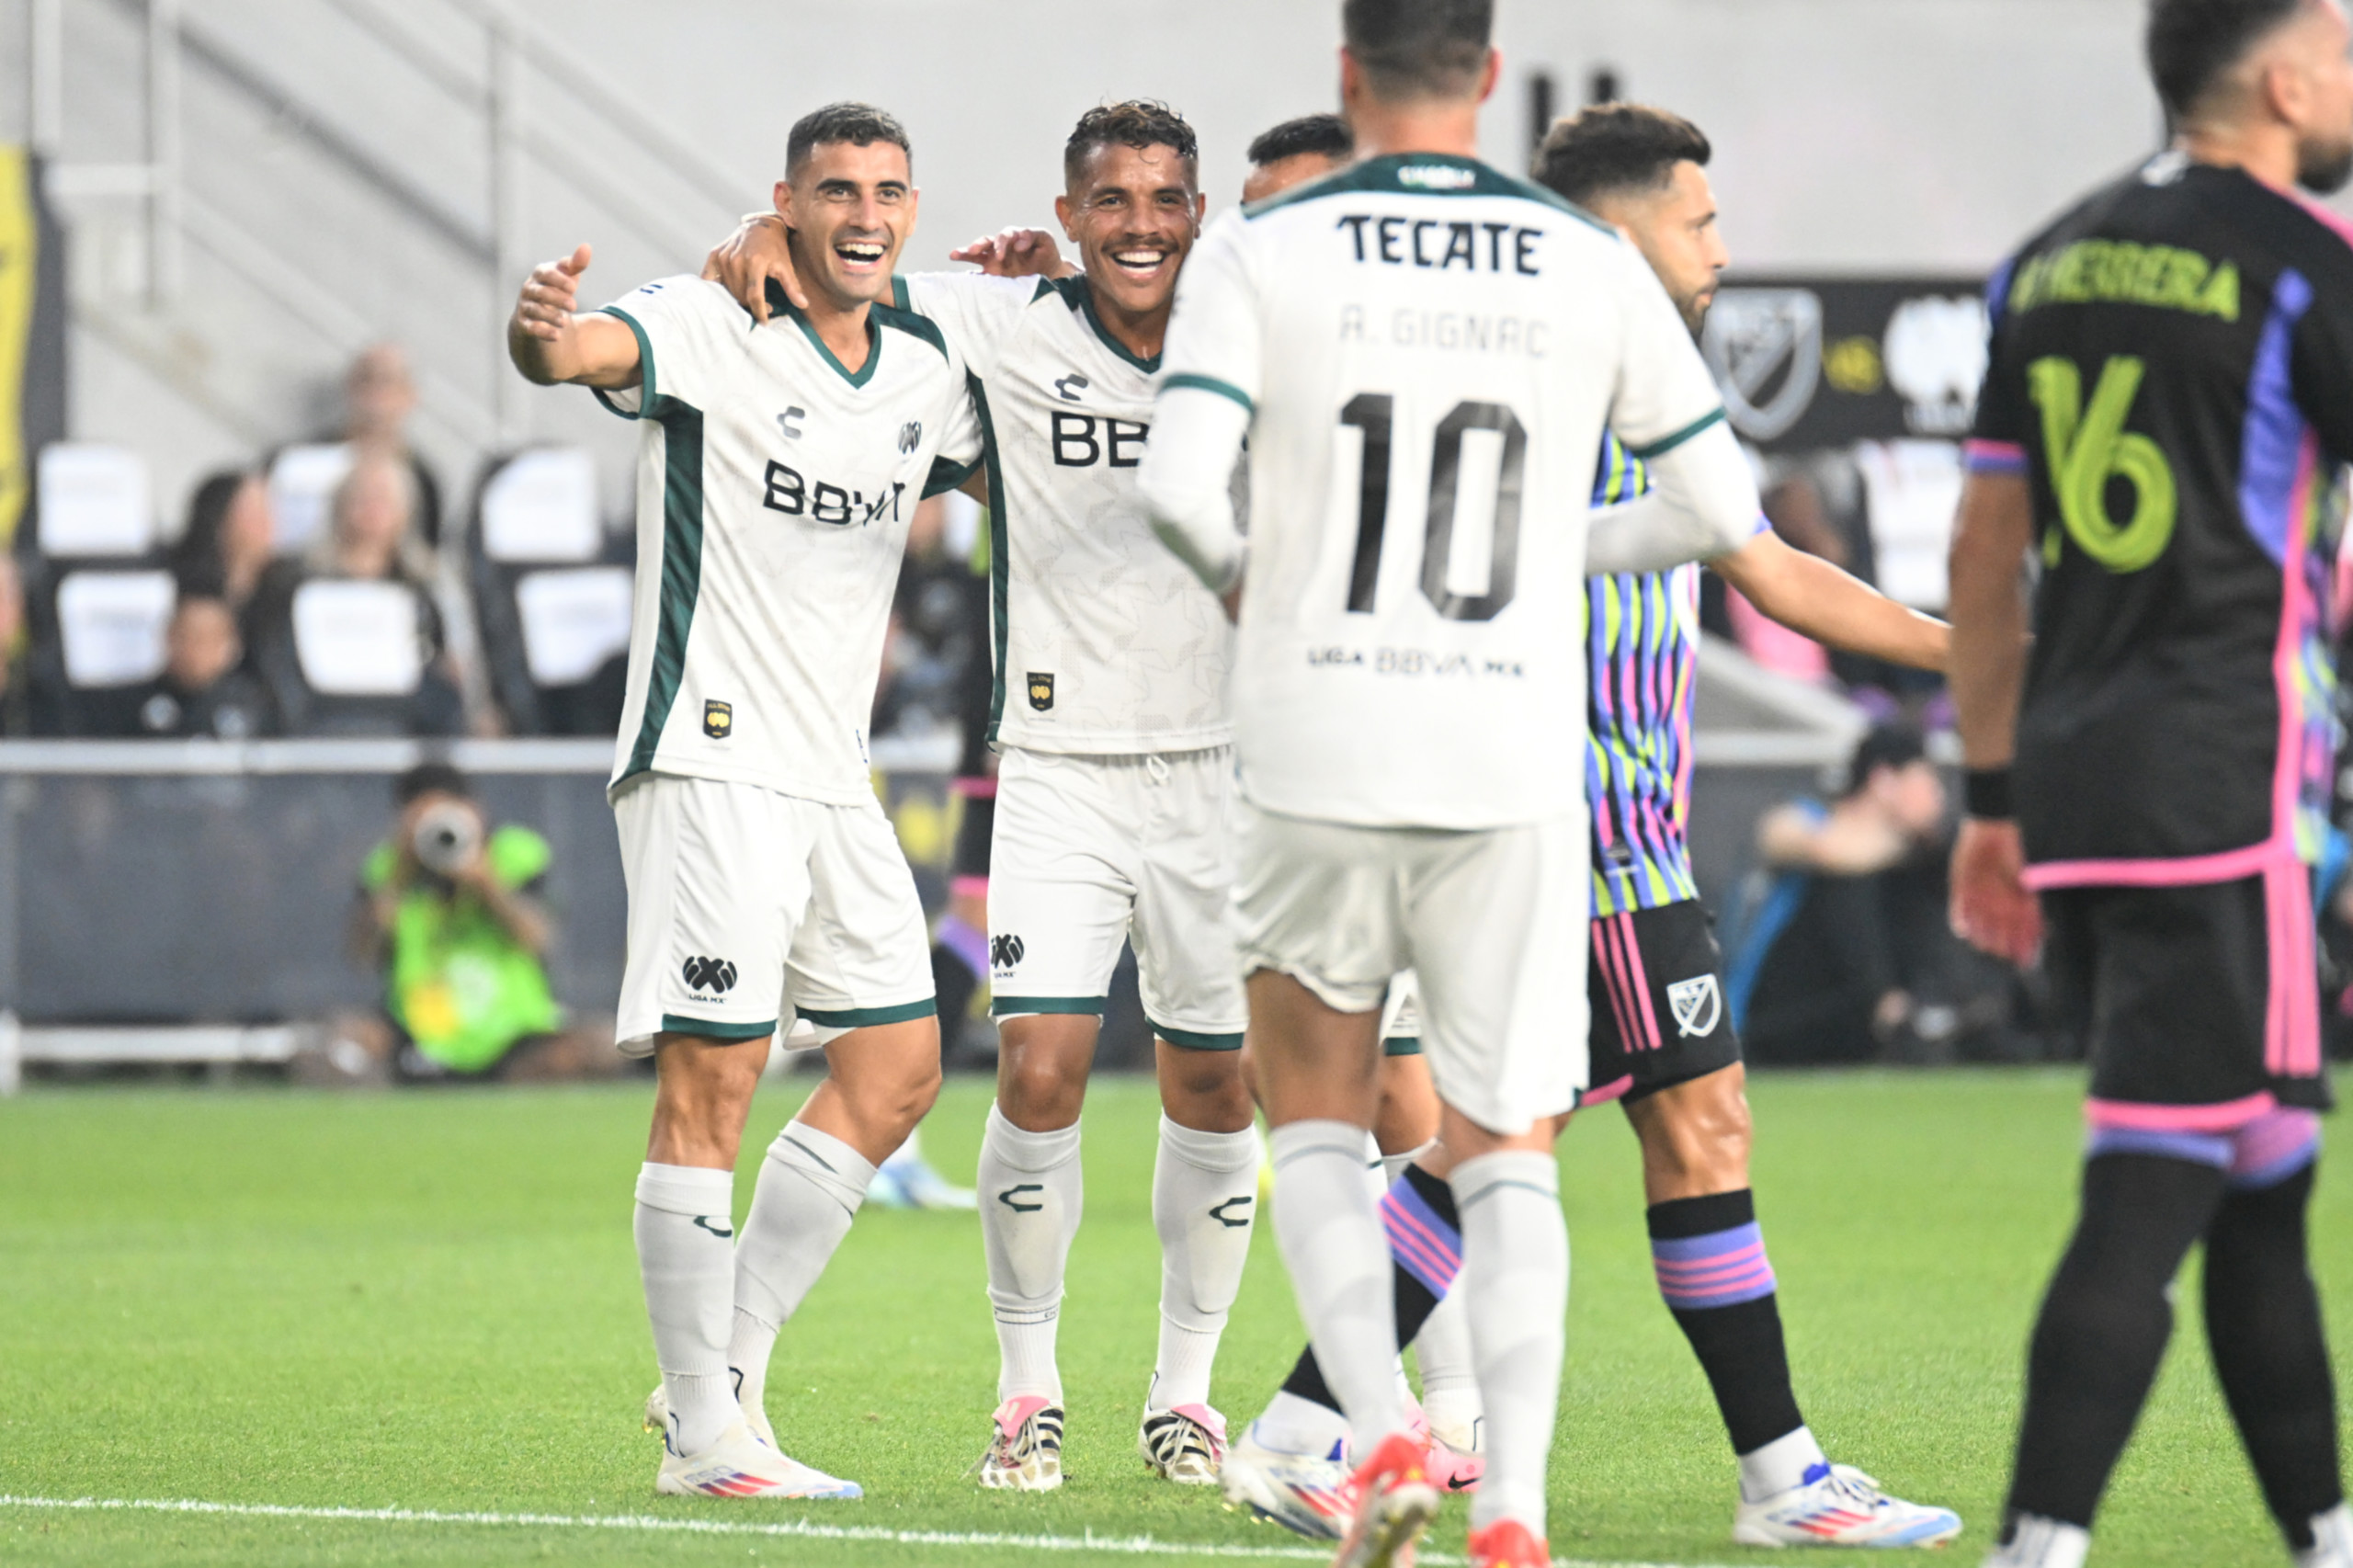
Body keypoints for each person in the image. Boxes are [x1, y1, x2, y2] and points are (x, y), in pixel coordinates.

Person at [1220, 103, 1962, 1553]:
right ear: (1625, 233)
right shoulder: (1571, 358)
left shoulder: (1605, 357)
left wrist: (1971, 650)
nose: (1721, 249)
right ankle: (1774, 1478)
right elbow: (1768, 570)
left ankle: (1312, 1430)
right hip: (1580, 836)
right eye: (1699, 220)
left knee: (1568, 1130)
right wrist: (1983, 654)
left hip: (1613, 838)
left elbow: (1766, 563)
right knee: (1656, 1125)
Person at [1138, 6, 1769, 1562]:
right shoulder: (1584, 264)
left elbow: (1172, 484)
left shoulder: (1271, 245)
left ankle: (1380, 1425)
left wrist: (1245, 576)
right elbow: (1719, 509)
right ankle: (1516, 1512)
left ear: (1347, 79)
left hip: (1318, 740)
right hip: (1506, 751)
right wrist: (1548, 554)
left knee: (1332, 1131)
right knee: (1505, 1144)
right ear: (1489, 80)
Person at [706, 101, 1261, 1493]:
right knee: (1037, 1068)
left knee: (1216, 1078)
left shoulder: (1254, 332)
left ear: (1198, 212)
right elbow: (841, 260)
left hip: (1223, 767)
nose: (1141, 222)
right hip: (1060, 770)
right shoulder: (999, 322)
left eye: (1165, 199)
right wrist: (751, 237)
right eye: (1112, 200)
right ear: (1065, 217)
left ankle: (1186, 1395)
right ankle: (1029, 1389)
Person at [508, 101, 983, 1502]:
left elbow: (1037, 374)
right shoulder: (708, 319)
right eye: (835, 190)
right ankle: (708, 1447)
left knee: (897, 1070)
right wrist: (543, 326)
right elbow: (574, 351)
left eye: (889, 191)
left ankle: (717, 1372)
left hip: (834, 772)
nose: (864, 215)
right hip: (709, 754)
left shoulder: (924, 364)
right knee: (710, 1081)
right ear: (786, 201)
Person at [1946, 4, 2353, 1566]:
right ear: (2280, 76)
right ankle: (2038, 1543)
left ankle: (2323, 1531)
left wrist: (1990, 795)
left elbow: (1987, 555)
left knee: (2262, 1177)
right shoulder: (2303, 260)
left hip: (2080, 779)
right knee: (2150, 1182)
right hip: (2228, 793)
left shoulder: (2046, 259)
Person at [344, 762, 611, 1081]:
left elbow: (540, 938)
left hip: (513, 1033)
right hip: (417, 1030)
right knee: (343, 1046)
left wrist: (486, 881)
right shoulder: (387, 867)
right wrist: (399, 878)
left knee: (603, 1046)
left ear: (473, 811)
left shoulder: (514, 854)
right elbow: (362, 955)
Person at [1728, 726, 1951, 1063]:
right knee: (1849, 886)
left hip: (1844, 1024)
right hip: (1773, 1020)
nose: (1939, 799)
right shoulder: (1803, 818)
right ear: (1884, 781)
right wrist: (1906, 845)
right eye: (1927, 783)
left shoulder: (1910, 865)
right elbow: (1831, 851)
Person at [247, 450, 463, 736]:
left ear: (405, 509)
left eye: (383, 498)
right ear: (340, 504)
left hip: (400, 729)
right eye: (362, 496)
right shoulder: (294, 584)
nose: (371, 507)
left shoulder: (424, 591)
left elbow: (439, 664)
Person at [129, 590, 275, 739]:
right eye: (185, 637)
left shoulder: (257, 704)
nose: (195, 650)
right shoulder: (132, 704)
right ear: (168, 637)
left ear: (232, 645)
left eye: (208, 640)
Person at [342, 344, 446, 550]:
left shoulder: (423, 478)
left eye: (387, 382)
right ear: (350, 386)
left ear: (410, 395)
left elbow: (426, 552)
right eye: (367, 379)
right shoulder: (303, 459)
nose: (376, 393)